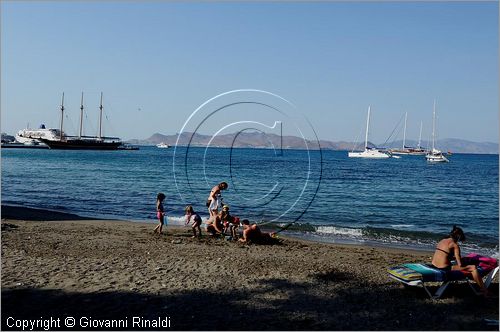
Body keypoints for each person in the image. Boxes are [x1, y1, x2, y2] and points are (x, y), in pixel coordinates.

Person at [431, 225, 488, 296]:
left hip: (434, 265)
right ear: (458, 236)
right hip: (443, 269)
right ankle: (484, 290)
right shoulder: (454, 245)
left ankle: (483, 289)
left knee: (454, 264)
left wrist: (453, 258)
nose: (459, 240)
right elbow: (460, 264)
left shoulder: (442, 240)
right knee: (473, 267)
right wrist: (465, 262)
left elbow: (444, 255)